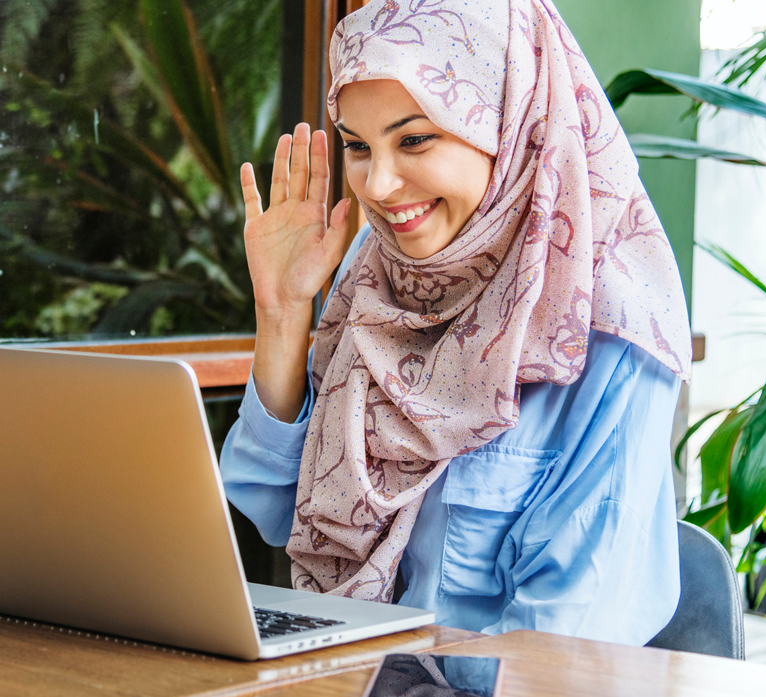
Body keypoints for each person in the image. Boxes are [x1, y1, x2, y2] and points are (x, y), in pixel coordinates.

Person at [220, 0, 692, 645]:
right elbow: (277, 507)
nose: (379, 186)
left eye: (414, 139)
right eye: (358, 146)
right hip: (344, 667)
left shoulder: (604, 326)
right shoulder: (380, 271)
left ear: (512, 122)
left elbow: (564, 643)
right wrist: (280, 315)